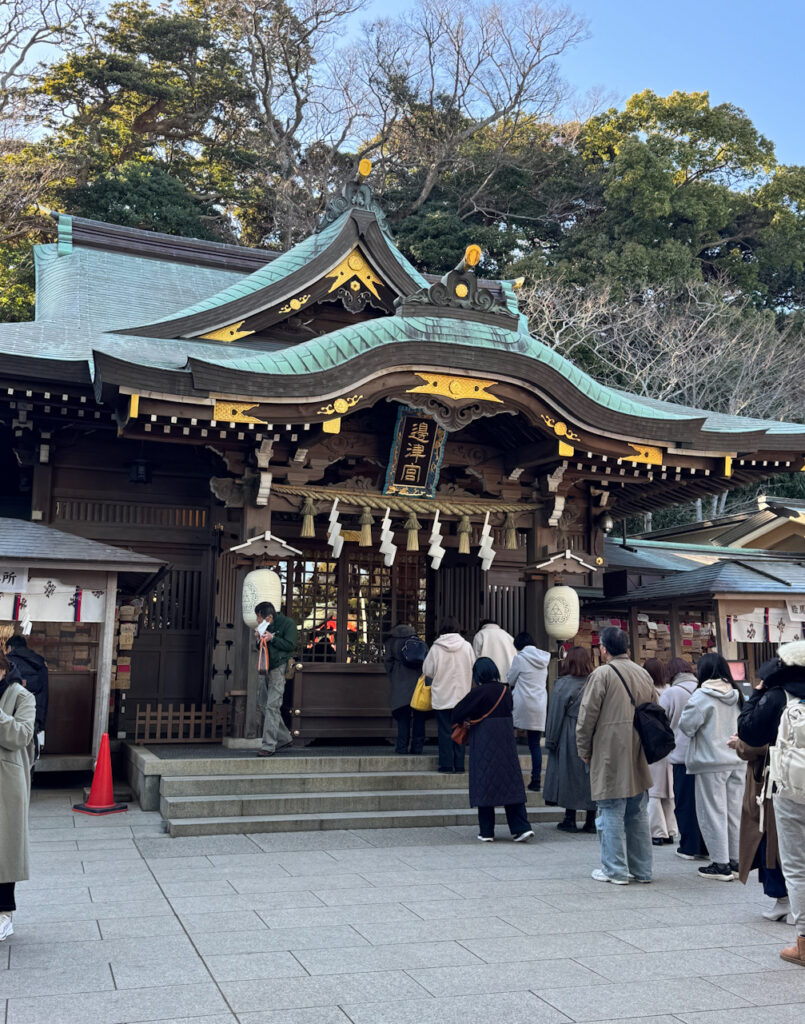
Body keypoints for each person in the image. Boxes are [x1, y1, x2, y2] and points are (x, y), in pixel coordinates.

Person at [737, 640, 805, 967]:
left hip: (791, 789)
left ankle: (803, 941)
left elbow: (748, 731)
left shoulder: (778, 696)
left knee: (797, 865)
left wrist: (757, 693)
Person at [576, 626, 656, 885]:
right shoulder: (643, 673)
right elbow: (655, 708)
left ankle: (615, 869)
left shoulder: (602, 674)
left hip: (609, 749)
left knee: (610, 808)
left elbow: (587, 716)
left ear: (603, 649)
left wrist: (584, 748)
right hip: (638, 748)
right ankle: (642, 870)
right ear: (627, 649)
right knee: (637, 811)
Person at [452, 657, 533, 843]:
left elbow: (457, 712)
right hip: (505, 740)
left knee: (484, 782)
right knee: (510, 783)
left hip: (484, 739)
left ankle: (487, 831)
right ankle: (521, 827)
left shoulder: (478, 692)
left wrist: (469, 719)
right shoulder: (505, 690)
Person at [678, 653, 744, 881]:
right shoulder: (737, 694)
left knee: (713, 813)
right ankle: (736, 861)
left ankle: (720, 863)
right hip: (737, 759)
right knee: (734, 812)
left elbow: (686, 726)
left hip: (710, 761)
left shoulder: (701, 695)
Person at [730, 727, 791, 921]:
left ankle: (785, 900)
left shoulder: (776, 707)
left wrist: (741, 744)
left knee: (770, 840)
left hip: (774, 783)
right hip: (787, 780)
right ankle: (788, 902)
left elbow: (765, 744)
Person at [0, 650, 35, 941]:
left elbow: (22, 735)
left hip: (6, 782)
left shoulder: (22, 696)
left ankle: (4, 914)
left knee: (5, 849)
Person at [543, 646, 596, 833]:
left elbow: (555, 714)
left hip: (570, 732)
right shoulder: (596, 682)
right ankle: (591, 820)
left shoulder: (563, 684)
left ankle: (570, 818)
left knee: (569, 774)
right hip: (593, 732)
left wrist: (551, 739)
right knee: (590, 776)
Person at [661, 657, 708, 861]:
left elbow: (660, 720)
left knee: (684, 803)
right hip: (705, 755)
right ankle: (706, 845)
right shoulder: (703, 690)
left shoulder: (671, 693)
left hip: (681, 755)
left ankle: (689, 846)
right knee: (705, 804)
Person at [422, 617, 474, 774]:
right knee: (461, 729)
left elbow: (427, 670)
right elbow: (474, 667)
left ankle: (446, 765)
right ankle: (459, 765)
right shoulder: (466, 646)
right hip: (462, 696)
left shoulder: (436, 648)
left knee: (445, 731)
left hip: (442, 695)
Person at [507, 631, 550, 792]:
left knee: (509, 741)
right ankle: (536, 780)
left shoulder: (520, 658)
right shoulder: (543, 658)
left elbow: (510, 679)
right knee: (534, 745)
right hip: (539, 704)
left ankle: (511, 778)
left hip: (522, 703)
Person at [254, 601, 297, 757]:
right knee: (262, 703)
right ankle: (284, 738)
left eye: (259, 617)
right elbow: (259, 647)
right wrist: (258, 639)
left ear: (269, 617)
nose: (257, 620)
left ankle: (269, 745)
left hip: (279, 667)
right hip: (265, 666)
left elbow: (291, 645)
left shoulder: (288, 624)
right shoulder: (264, 626)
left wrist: (272, 638)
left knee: (272, 705)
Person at [644, 658, 677, 847]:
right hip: (671, 746)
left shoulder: (649, 693)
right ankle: (671, 830)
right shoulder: (670, 690)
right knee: (668, 792)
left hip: (655, 745)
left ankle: (657, 831)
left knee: (654, 792)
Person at [384, 624, 427, 755]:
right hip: (418, 684)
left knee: (403, 717)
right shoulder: (420, 642)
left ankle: (402, 747)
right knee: (419, 717)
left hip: (400, 683)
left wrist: (393, 675)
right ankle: (417, 747)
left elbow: (388, 663)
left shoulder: (393, 643)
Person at [5, 635, 48, 734]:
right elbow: (45, 693)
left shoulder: (7, 662)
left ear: (9, 648)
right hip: (33, 715)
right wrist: (40, 721)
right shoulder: (40, 663)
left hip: (9, 715)